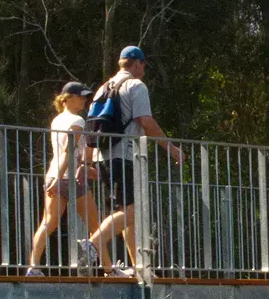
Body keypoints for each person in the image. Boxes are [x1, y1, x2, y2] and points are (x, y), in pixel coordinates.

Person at [91, 45, 183, 277]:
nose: (144, 69)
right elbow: (146, 121)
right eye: (143, 64)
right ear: (136, 63)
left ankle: (140, 267)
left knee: (125, 210)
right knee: (131, 212)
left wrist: (87, 161)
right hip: (124, 155)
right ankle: (92, 244)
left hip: (103, 156)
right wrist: (169, 147)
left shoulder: (103, 87)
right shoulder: (136, 85)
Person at [26, 82, 101, 275]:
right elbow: (69, 153)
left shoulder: (57, 120)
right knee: (96, 226)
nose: (84, 100)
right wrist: (59, 179)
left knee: (48, 222)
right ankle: (108, 269)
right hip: (68, 178)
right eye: (81, 96)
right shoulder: (78, 121)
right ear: (68, 98)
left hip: (55, 175)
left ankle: (33, 266)